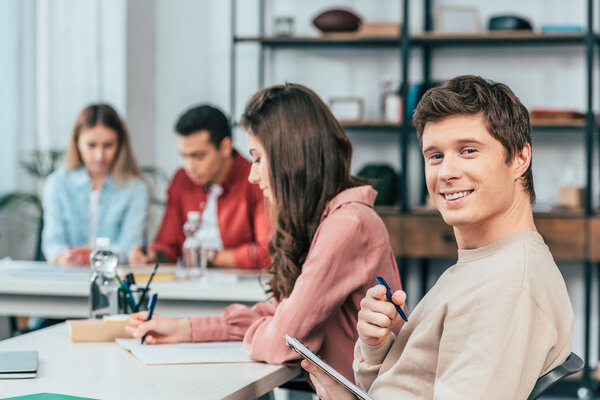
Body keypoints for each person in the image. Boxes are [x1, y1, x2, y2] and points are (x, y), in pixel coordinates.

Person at [303, 75, 575, 399]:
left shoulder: (508, 286)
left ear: (519, 158)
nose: (446, 172)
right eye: (435, 156)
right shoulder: (483, 264)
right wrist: (377, 346)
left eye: (468, 150)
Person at [125, 84, 403, 382]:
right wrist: (188, 329)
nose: (252, 175)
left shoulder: (348, 224)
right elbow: (281, 312)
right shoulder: (328, 219)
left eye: (258, 158)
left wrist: (272, 327)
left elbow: (281, 342)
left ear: (290, 158)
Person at [127, 105, 270, 269]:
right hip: (193, 288)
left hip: (243, 290)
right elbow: (167, 244)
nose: (189, 167)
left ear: (225, 147)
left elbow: (266, 253)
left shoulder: (256, 180)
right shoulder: (182, 180)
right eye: (184, 156)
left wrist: (208, 256)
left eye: (198, 156)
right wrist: (152, 255)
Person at [42, 103, 148, 265]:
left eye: (108, 145)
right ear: (77, 142)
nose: (99, 156)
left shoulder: (135, 189)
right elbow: (52, 243)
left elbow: (130, 247)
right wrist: (64, 256)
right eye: (91, 145)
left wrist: (92, 256)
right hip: (67, 276)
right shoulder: (57, 184)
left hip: (114, 277)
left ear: (120, 144)